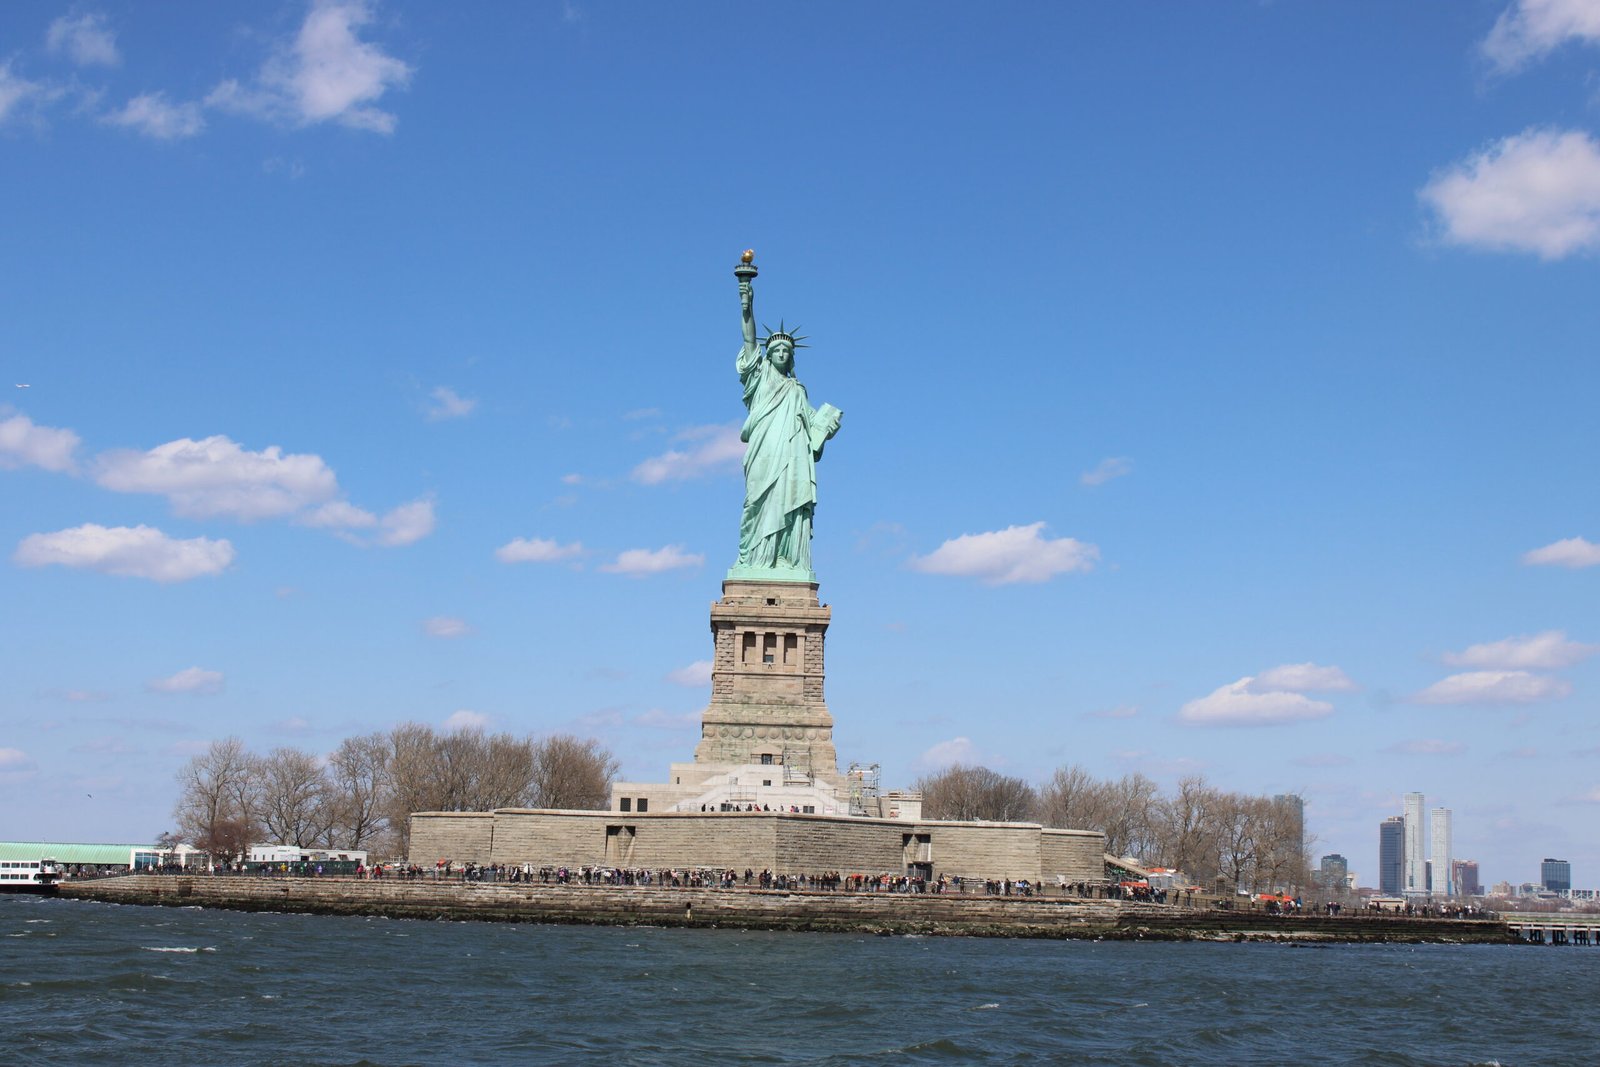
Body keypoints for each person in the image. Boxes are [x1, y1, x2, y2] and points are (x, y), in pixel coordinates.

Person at [732, 269, 842, 578]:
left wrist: (827, 426)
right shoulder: (761, 376)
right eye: (776, 350)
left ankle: (787, 561)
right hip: (764, 452)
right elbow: (749, 338)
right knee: (758, 503)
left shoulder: (797, 390)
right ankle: (757, 560)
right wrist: (746, 301)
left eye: (786, 351)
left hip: (792, 458)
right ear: (769, 355)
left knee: (789, 505)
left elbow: (812, 427)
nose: (780, 353)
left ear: (791, 357)